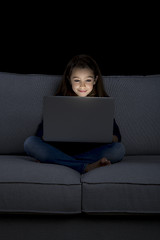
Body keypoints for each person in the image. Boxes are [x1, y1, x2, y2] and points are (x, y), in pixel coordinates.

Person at [24, 54, 125, 174]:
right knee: (30, 143)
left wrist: (105, 136)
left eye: (88, 80)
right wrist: (50, 135)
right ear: (69, 79)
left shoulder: (102, 103)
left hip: (90, 153)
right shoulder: (58, 102)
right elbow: (41, 134)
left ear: (95, 80)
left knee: (119, 149)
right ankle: (85, 167)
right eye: (77, 80)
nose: (82, 86)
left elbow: (116, 137)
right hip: (61, 151)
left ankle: (59, 162)